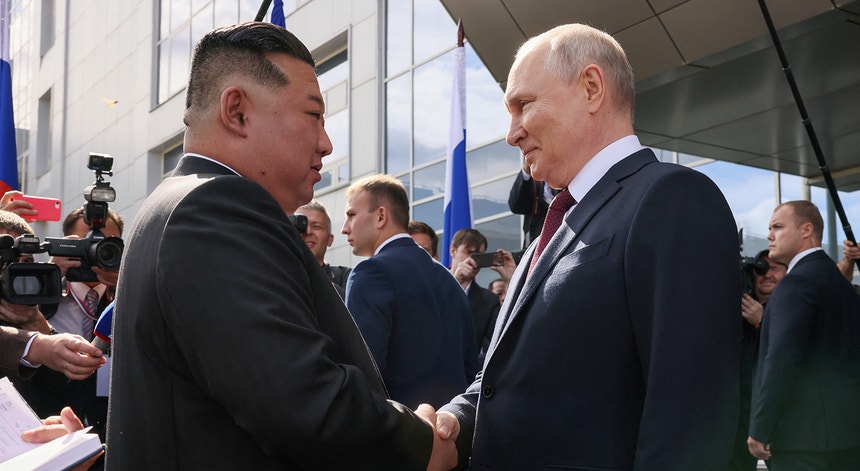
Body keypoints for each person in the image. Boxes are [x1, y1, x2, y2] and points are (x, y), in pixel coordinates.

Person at [106, 23, 454, 470]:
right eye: (313, 115)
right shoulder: (214, 208)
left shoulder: (181, 204)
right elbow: (306, 404)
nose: (326, 143)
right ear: (237, 112)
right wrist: (420, 445)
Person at [432, 23, 741, 470]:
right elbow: (504, 380)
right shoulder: (546, 237)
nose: (511, 133)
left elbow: (692, 416)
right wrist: (454, 422)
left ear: (591, 88)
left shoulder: (672, 198)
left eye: (523, 105)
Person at [342, 175, 478, 408]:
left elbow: (363, 374)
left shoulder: (371, 272)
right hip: (452, 425)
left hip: (399, 427)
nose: (345, 228)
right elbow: (470, 371)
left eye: (351, 215)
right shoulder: (449, 280)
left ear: (381, 216)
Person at [748, 201, 860, 468]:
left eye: (777, 227)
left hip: (802, 442)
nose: (769, 236)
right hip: (848, 438)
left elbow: (781, 358)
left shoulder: (797, 282)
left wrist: (761, 426)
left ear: (806, 230)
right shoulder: (841, 285)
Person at [13, 207, 123, 447]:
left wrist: (126, 286)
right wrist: (50, 278)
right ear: (67, 245)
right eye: (86, 244)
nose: (97, 252)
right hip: (46, 430)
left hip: (111, 434)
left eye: (107, 244)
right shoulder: (37, 297)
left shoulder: (126, 301)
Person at [734, 250, 786, 471]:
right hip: (738, 414)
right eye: (761, 269)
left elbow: (789, 352)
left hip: (776, 417)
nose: (767, 274)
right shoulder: (736, 311)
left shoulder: (791, 308)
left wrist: (761, 321)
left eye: (775, 268)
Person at [447, 228, 501, 361]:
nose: (473, 260)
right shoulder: (433, 285)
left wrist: (510, 281)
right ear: (453, 251)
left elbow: (501, 342)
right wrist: (456, 282)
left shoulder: (489, 300)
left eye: (479, 255)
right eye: (468, 252)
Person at [294, 199, 351, 298]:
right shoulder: (278, 276)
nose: (308, 231)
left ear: (329, 239)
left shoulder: (347, 277)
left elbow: (351, 305)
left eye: (316, 227)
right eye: (301, 226)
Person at [508, 164, 553, 247]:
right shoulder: (534, 184)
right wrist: (527, 170)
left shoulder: (569, 179)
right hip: (538, 245)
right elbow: (515, 206)